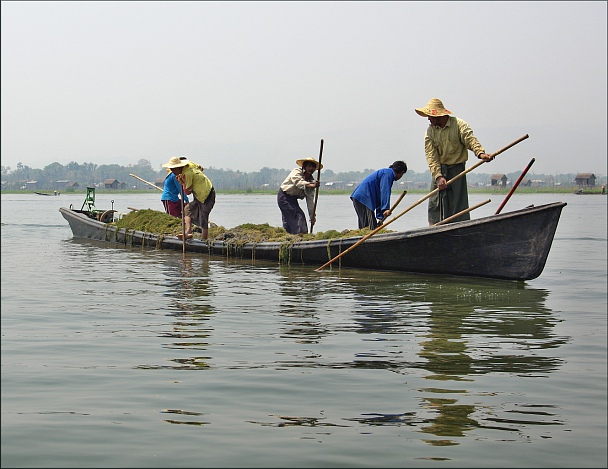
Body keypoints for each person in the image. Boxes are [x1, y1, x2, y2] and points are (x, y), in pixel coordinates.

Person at [415, 98, 493, 225]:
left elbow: (470, 139)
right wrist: (438, 176)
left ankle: (459, 228)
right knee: (435, 203)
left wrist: (480, 153)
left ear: (438, 115)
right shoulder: (430, 131)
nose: (428, 119)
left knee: (458, 204)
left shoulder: (458, 124)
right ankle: (434, 228)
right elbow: (431, 156)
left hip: (457, 169)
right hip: (439, 169)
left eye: (430, 116)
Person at [161, 156, 215, 240]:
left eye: (174, 169)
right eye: (171, 169)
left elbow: (187, 192)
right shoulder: (190, 165)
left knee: (203, 216)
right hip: (198, 194)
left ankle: (204, 240)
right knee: (187, 210)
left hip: (207, 194)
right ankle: (188, 232)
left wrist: (182, 183)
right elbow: (200, 167)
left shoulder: (187, 174)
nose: (172, 171)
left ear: (179, 167)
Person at [350, 161, 407, 230]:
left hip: (360, 197)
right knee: (369, 227)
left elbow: (380, 197)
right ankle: (368, 238)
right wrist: (386, 209)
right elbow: (385, 191)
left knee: (365, 224)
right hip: (364, 198)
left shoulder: (387, 173)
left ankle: (364, 237)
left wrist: (380, 217)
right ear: (401, 172)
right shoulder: (388, 174)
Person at [277, 157, 321, 234]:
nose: (311, 168)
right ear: (304, 166)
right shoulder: (296, 172)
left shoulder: (311, 181)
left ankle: (290, 237)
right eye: (309, 166)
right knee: (298, 216)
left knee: (288, 223)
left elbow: (310, 201)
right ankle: (301, 236)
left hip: (293, 200)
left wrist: (312, 216)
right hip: (284, 197)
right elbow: (298, 182)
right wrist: (311, 185)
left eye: (313, 167)